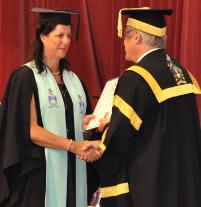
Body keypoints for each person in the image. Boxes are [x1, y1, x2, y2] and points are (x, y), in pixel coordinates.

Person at [90, 7, 201, 207]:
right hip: (182, 185)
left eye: (125, 36)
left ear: (137, 37)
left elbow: (119, 138)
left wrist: (103, 129)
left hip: (151, 187)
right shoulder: (181, 73)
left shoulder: (136, 78)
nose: (123, 42)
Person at [0, 7, 101, 207]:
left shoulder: (74, 80)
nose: (66, 41)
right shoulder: (26, 77)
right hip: (41, 173)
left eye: (69, 36)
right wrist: (73, 145)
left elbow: (64, 120)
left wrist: (84, 126)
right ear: (43, 37)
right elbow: (31, 130)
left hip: (73, 170)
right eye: (59, 35)